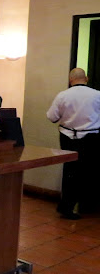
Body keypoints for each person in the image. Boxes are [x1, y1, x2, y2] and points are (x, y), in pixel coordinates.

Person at [47, 68, 100, 219]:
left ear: (70, 80)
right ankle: (87, 205)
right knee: (89, 170)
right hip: (91, 137)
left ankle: (67, 207)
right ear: (86, 78)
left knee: (70, 171)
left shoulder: (63, 95)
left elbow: (52, 117)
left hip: (67, 137)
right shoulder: (97, 95)